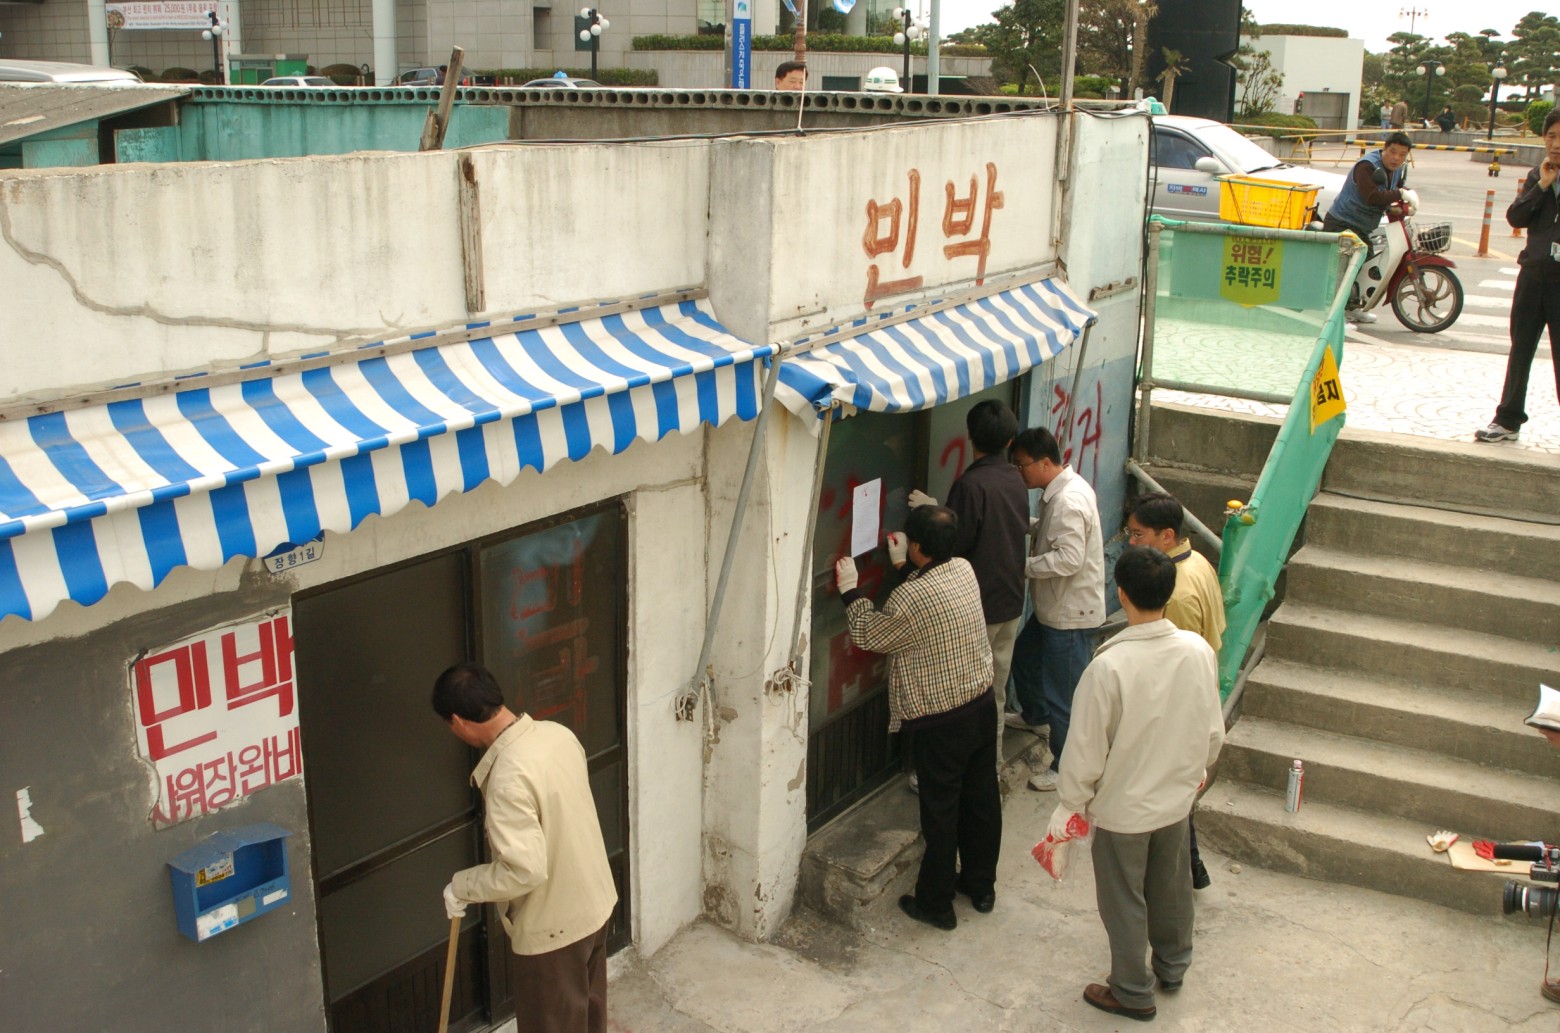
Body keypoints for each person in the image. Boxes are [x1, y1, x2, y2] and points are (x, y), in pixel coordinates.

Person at [1055, 547, 1224, 1023]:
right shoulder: (1197, 651)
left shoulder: (1108, 667)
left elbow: (1084, 752)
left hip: (1123, 811)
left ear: (1121, 594)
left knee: (1124, 899)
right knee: (1172, 889)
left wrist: (1071, 804)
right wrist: (1196, 771)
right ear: (1168, 594)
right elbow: (1212, 730)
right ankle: (1173, 966)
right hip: (1176, 801)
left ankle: (1132, 991)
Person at [836, 505, 1000, 930]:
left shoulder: (910, 597)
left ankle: (936, 904)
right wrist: (901, 566)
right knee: (981, 799)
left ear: (918, 546)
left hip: (941, 721)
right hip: (982, 703)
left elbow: (870, 633)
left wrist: (851, 591)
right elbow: (929, 600)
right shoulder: (964, 568)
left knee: (940, 812)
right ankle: (981, 886)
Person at [434, 664, 617, 1033]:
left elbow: (524, 871)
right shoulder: (558, 735)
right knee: (588, 1022)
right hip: (595, 905)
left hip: (554, 933)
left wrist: (462, 886)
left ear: (459, 721)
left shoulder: (507, 777)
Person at [907, 400, 1029, 760]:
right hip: (1011, 600)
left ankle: (962, 772)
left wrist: (932, 514)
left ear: (970, 436)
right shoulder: (1015, 478)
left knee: (963, 699)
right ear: (1010, 440)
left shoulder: (971, 484)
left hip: (978, 607)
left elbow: (954, 544)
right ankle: (992, 767)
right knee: (996, 692)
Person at [1125, 491, 1225, 891]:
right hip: (1195, 696)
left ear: (1167, 536)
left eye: (1138, 535)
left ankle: (1186, 871)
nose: (1132, 543)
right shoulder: (1198, 561)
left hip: (1176, 709)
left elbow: (1170, 666)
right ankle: (1192, 869)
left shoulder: (1176, 595)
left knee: (1172, 801)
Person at [1007, 426, 1105, 793]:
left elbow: (1068, 559)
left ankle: (1066, 766)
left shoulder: (1068, 501)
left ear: (1045, 462)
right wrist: (1020, 525)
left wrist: (1021, 567)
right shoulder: (1060, 492)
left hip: (1069, 615)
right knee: (1025, 657)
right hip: (1054, 608)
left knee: (1064, 696)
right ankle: (1036, 716)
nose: (1019, 472)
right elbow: (1051, 532)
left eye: (1022, 465)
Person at [1474, 110, 1560, 443]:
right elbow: (1516, 217)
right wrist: (1542, 185)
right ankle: (1507, 419)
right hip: (1533, 275)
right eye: (1551, 136)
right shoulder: (1538, 175)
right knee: (1520, 347)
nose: (1556, 144)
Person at [1323, 131, 1420, 324]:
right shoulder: (1367, 166)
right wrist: (1401, 193)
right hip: (1343, 222)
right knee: (1345, 271)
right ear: (1384, 149)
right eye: (1392, 152)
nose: (1396, 158)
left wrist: (1405, 198)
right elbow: (1372, 196)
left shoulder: (1397, 170)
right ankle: (1335, 318)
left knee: (1366, 264)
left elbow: (1393, 191)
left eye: (1402, 154)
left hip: (1362, 226)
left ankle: (1352, 308)